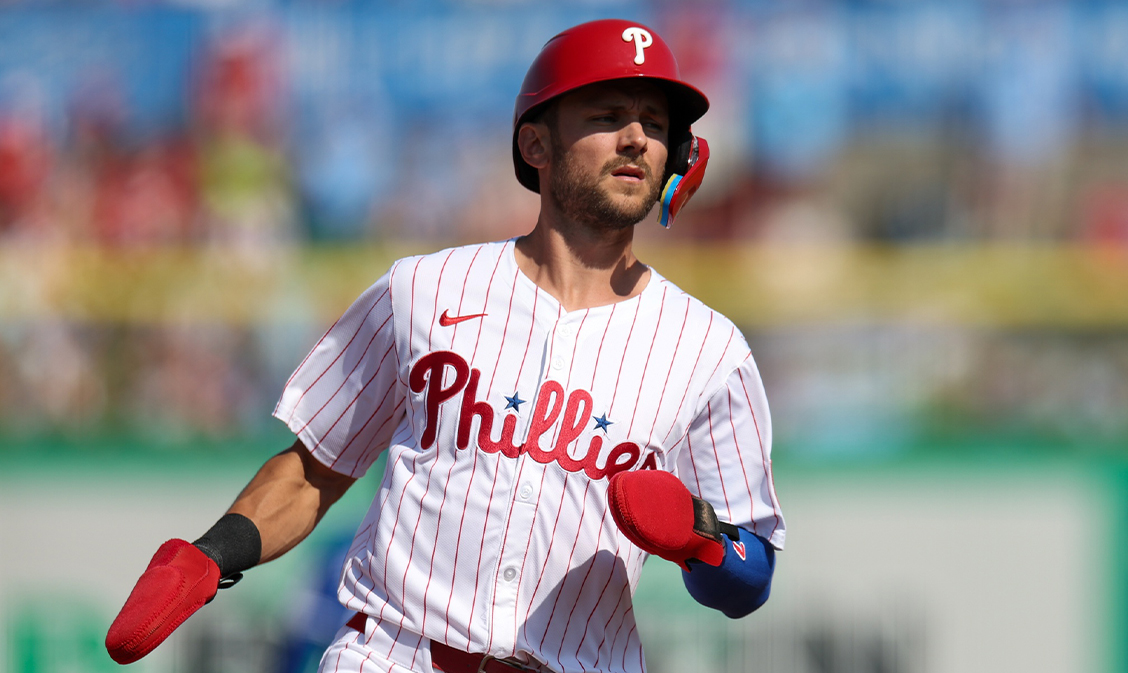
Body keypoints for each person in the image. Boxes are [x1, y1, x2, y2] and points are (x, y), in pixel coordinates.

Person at [105, 19, 786, 673]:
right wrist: (210, 554)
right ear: (535, 146)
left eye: (657, 123)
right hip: (392, 655)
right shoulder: (422, 290)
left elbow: (751, 573)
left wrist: (701, 539)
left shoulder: (709, 350)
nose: (637, 137)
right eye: (607, 115)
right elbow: (316, 469)